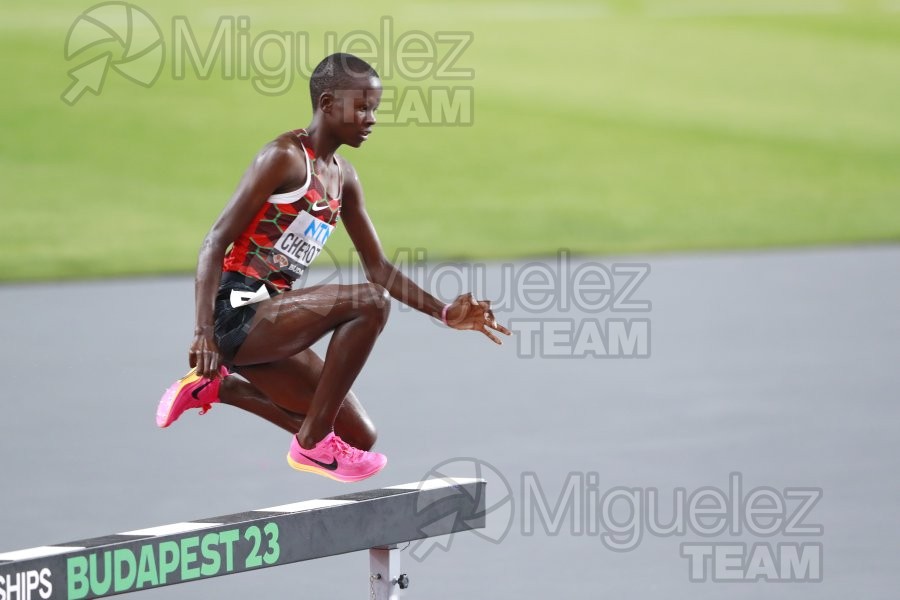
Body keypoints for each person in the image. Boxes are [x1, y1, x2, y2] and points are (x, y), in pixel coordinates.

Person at [156, 53, 510, 483]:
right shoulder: (283, 158)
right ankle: (311, 443)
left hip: (274, 321)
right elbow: (214, 241)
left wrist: (443, 312)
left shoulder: (344, 178)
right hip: (235, 315)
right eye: (361, 107)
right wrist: (202, 333)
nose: (371, 118)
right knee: (369, 303)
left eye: (375, 109)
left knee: (360, 436)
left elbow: (378, 267)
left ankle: (223, 389)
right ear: (326, 104)